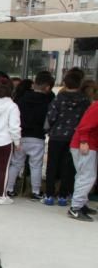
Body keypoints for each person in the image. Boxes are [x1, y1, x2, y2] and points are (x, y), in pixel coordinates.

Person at [44, 67, 91, 207]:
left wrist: (48, 129)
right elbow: (85, 119)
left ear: (65, 83)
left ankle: (49, 195)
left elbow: (51, 117)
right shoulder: (84, 101)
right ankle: (64, 196)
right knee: (68, 167)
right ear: (80, 84)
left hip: (56, 136)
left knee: (52, 165)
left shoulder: (59, 98)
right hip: (73, 137)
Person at [4, 78, 50, 200]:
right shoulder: (47, 101)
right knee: (36, 165)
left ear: (34, 85)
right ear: (47, 88)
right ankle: (35, 191)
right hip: (38, 137)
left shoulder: (22, 99)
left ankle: (9, 189)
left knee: (16, 163)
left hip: (21, 136)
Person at [67, 99, 98, 221]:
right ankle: (76, 208)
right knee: (87, 176)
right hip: (86, 145)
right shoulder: (97, 108)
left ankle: (81, 204)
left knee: (83, 175)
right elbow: (84, 126)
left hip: (86, 144)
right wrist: (84, 141)